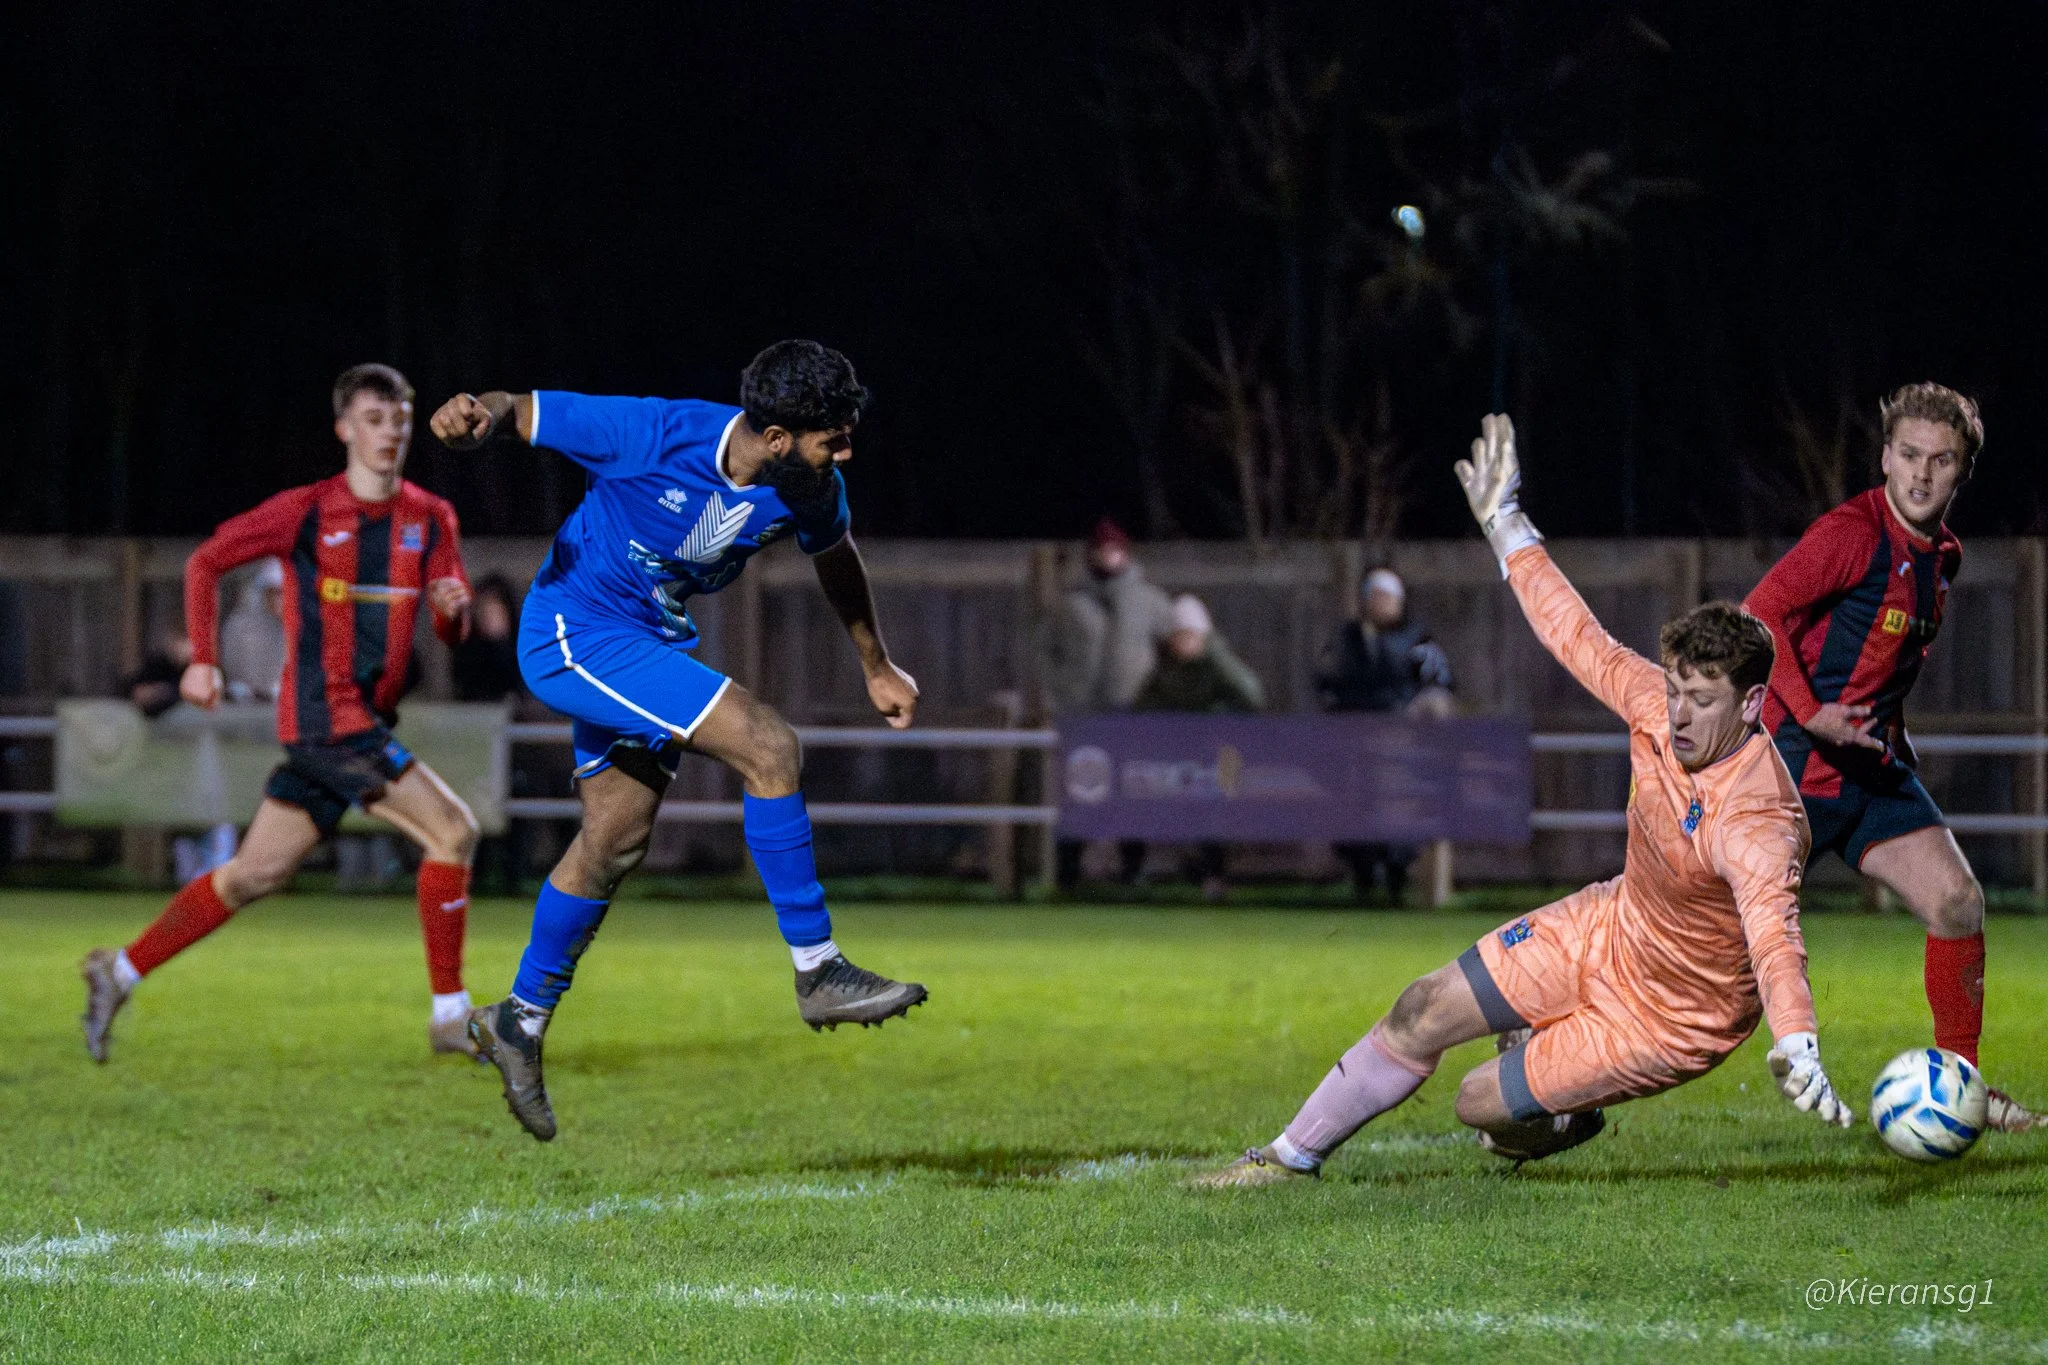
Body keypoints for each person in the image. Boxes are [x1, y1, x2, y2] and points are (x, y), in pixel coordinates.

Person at [1199, 414, 1853, 1187]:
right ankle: (1287, 1158)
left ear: (1750, 706)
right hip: (1611, 924)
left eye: (1701, 699)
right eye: (1675, 689)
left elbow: (1776, 939)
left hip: (1674, 1014)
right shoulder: (1657, 705)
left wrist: (1798, 1038)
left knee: (1480, 1106)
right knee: (1421, 1008)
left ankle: (1565, 1112)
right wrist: (1506, 524)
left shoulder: (1760, 820)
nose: (1677, 712)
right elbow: (1578, 636)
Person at [429, 339, 926, 1143]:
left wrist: (878, 663)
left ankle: (518, 1018)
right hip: (573, 632)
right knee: (770, 745)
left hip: (644, 645)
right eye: (831, 436)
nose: (845, 450)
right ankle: (818, 969)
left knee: (613, 842)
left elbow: (837, 557)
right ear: (773, 438)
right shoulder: (653, 433)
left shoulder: (810, 485)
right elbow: (519, 410)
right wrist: (476, 415)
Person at [78, 364, 483, 1063]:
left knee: (251, 874)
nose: (388, 433)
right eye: (373, 419)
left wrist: (454, 615)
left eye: (398, 420)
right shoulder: (308, 510)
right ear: (344, 429)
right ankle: (450, 1014)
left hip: (362, 722)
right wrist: (202, 658)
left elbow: (452, 629)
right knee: (453, 830)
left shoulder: (432, 517)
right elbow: (206, 562)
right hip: (328, 717)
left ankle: (116, 971)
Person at [1743, 382, 2040, 1132]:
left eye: (1941, 461)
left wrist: (1888, 728)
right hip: (1789, 772)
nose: (1920, 473)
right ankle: (1552, 1043)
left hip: (1871, 772)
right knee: (1703, 963)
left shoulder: (1945, 555)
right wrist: (1811, 713)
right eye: (1908, 454)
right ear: (1884, 457)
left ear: (1960, 473)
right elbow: (1759, 613)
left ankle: (1963, 1091)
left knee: (1958, 901)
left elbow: (1883, 655)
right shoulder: (1850, 532)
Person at [1047, 517, 1176, 887]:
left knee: (1132, 795)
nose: (1108, 557)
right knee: (1080, 792)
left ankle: (1131, 871)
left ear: (1125, 553)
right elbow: (1044, 652)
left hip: (1132, 715)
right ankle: (1067, 875)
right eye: (1101, 550)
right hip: (1083, 716)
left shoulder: (1149, 601)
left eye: (1115, 550)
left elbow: (1174, 650)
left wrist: (1158, 695)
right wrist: (1061, 692)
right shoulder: (1070, 604)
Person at [1315, 567, 1455, 903]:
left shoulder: (1418, 641)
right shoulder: (1347, 642)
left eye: (1388, 597)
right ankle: (1363, 877)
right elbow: (1328, 684)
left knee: (1400, 809)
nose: (1382, 603)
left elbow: (1440, 685)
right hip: (1355, 743)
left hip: (1401, 745)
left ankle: (1397, 880)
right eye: (1376, 596)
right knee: (1352, 807)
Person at [1130, 594, 1264, 898]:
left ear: (1202, 635)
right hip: (1181, 755)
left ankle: (1215, 875)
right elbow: (1143, 708)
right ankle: (1169, 870)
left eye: (1189, 635)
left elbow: (1253, 698)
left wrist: (1213, 721)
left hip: (1224, 754)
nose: (1183, 642)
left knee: (1219, 806)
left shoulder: (1218, 660)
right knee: (1165, 803)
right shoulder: (1165, 669)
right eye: (1178, 635)